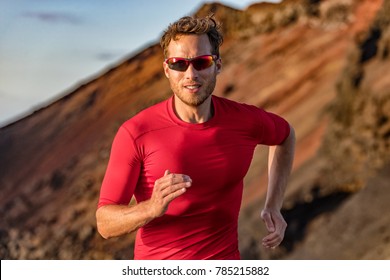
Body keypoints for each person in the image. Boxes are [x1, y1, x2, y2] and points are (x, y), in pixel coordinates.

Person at [96, 15, 295, 260]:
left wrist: (274, 205)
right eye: (179, 63)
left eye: (201, 62)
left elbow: (285, 136)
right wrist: (151, 207)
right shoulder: (136, 132)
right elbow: (105, 224)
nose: (190, 74)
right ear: (166, 69)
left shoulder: (244, 120)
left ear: (217, 65)